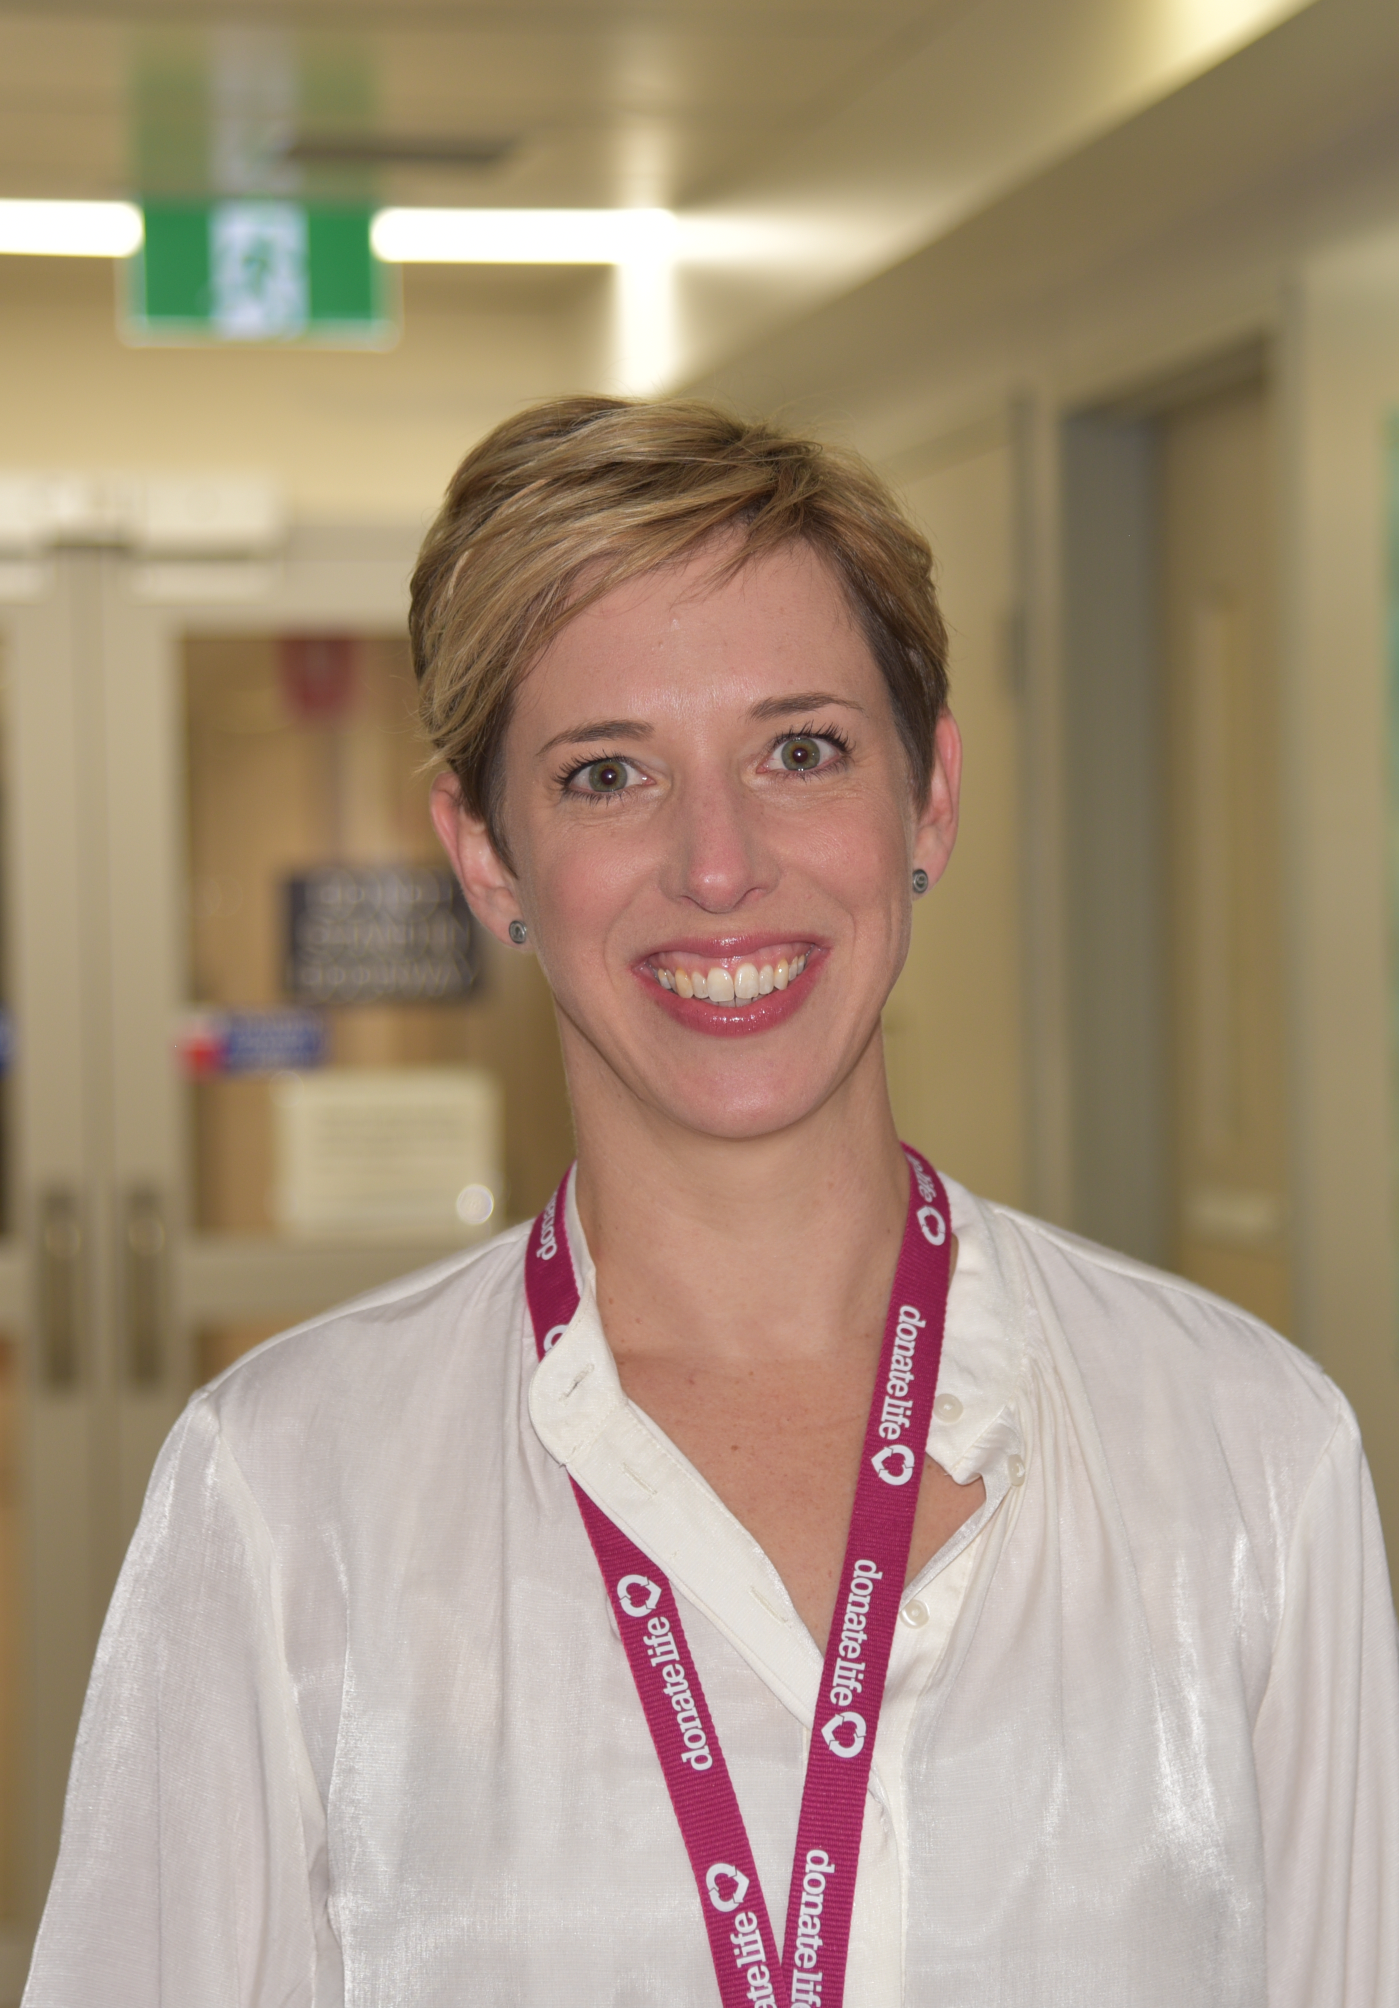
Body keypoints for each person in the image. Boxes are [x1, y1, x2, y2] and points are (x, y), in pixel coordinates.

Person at [22, 397, 1399, 2008]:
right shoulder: (282, 1495)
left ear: (928, 799)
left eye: (799, 750)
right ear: (484, 856)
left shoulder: (1246, 1456)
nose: (721, 864)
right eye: (606, 775)